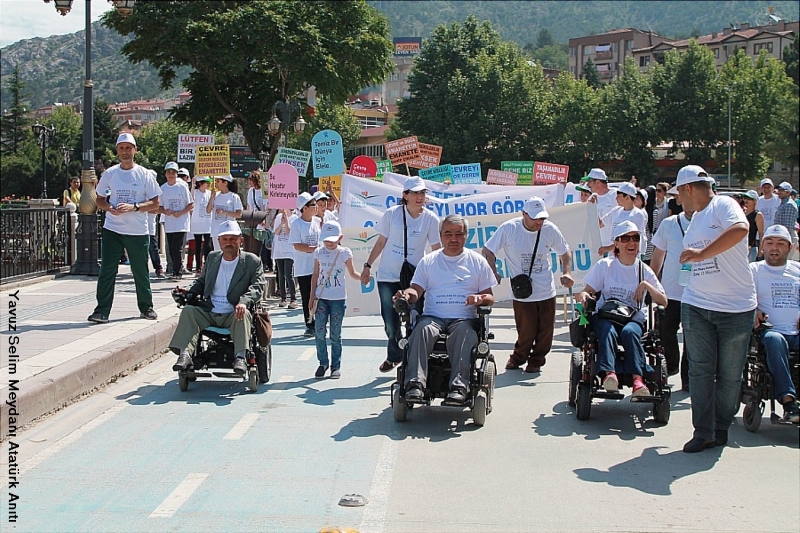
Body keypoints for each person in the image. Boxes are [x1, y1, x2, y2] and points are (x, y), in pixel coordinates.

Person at [670, 165, 756, 453]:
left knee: (730, 374)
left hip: (735, 307)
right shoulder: (693, 220)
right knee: (700, 371)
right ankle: (703, 431)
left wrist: (702, 254)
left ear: (688, 189)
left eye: (678, 193)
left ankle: (721, 427)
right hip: (697, 304)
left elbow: (741, 229)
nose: (677, 199)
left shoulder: (723, 204)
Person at [394, 215, 496, 404]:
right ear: (441, 236)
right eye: (448, 234)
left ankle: (459, 387)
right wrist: (406, 295)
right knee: (421, 330)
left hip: (464, 319)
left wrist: (479, 298)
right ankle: (415, 385)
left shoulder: (477, 261)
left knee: (464, 333)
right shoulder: (429, 261)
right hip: (433, 317)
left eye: (459, 234)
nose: (453, 239)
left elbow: (489, 297)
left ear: (466, 236)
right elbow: (415, 290)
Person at [482, 196, 574, 373]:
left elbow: (565, 252)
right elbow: (488, 250)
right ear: (524, 214)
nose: (539, 222)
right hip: (522, 291)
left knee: (546, 332)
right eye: (535, 218)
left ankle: (536, 361)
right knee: (527, 331)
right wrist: (493, 271)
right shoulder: (510, 228)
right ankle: (518, 357)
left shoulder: (550, 229)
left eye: (542, 218)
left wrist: (567, 272)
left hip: (546, 289)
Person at [576, 221, 667, 397]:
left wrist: (647, 285)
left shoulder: (643, 269)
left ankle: (638, 381)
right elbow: (585, 292)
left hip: (633, 316)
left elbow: (663, 300)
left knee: (630, 333)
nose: (631, 243)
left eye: (635, 238)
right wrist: (585, 296)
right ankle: (610, 375)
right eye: (625, 238)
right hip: (606, 314)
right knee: (606, 330)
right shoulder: (605, 266)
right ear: (616, 243)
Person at [361, 176, 441, 373]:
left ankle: (414, 359)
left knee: (416, 319)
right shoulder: (392, 214)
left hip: (415, 278)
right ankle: (395, 354)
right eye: (415, 193)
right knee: (390, 321)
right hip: (388, 276)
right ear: (405, 195)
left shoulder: (431, 218)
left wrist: (439, 273)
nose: (419, 197)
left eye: (422, 193)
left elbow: (437, 248)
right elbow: (380, 242)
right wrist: (367, 265)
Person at [169, 221, 265, 376]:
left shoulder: (251, 261)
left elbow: (257, 286)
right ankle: (185, 354)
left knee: (243, 314)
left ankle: (240, 357)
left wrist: (243, 302)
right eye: (225, 239)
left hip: (233, 314)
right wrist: (189, 291)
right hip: (210, 311)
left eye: (233, 239)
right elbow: (202, 281)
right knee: (188, 311)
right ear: (219, 241)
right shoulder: (213, 258)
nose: (229, 243)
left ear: (240, 240)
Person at [88, 132, 160, 323]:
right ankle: (101, 311)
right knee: (107, 270)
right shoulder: (110, 174)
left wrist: (135, 207)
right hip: (113, 228)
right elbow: (100, 199)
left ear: (135, 150)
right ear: (117, 151)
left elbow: (155, 202)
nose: (125, 152)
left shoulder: (144, 174)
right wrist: (109, 208)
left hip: (137, 231)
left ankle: (146, 307)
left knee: (140, 270)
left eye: (129, 148)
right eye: (122, 148)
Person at [750, 224, 800, 423]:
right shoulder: (754, 270)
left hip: (796, 331)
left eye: (780, 243)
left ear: (790, 247)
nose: (774, 247)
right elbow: (743, 299)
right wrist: (753, 311)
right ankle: (789, 403)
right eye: (769, 243)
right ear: (762, 247)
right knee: (775, 340)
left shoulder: (797, 270)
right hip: (769, 332)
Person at [308, 221, 362, 379]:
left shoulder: (345, 252)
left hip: (338, 299)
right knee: (319, 331)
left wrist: (363, 278)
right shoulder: (318, 252)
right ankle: (322, 362)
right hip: (321, 297)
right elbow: (315, 275)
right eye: (326, 239)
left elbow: (352, 273)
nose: (329, 243)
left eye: (332, 239)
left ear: (340, 237)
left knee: (335, 334)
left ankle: (335, 366)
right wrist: (312, 296)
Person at [650, 206, 695, 390]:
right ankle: (670, 366)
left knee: (692, 338)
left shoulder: (709, 223)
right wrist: (651, 281)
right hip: (670, 292)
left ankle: (688, 379)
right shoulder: (669, 223)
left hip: (696, 294)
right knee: (665, 333)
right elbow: (658, 254)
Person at [291, 192, 322, 336]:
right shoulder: (296, 224)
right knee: (307, 296)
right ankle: (310, 324)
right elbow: (297, 245)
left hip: (318, 266)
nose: (316, 207)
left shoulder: (317, 222)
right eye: (312, 205)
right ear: (304, 208)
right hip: (303, 267)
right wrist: (315, 249)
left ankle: (320, 322)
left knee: (319, 295)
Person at [158, 161, 193, 280]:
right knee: (171, 249)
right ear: (165, 174)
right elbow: (159, 206)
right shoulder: (162, 188)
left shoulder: (182, 187)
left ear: (177, 174)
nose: (171, 175)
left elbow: (191, 204)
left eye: (173, 172)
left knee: (177, 248)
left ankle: (177, 272)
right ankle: (174, 269)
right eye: (169, 172)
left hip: (181, 223)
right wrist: (165, 212)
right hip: (169, 223)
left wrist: (181, 212)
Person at [598, 181, 647, 256]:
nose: (616, 198)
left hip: (628, 257)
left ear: (627, 197)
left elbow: (632, 239)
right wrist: (592, 206)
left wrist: (607, 248)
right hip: (613, 256)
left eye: (618, 196)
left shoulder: (637, 214)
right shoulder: (616, 210)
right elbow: (600, 223)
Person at [585, 168, 618, 251]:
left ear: (598, 182)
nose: (587, 184)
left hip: (613, 246)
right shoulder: (592, 197)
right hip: (598, 246)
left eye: (589, 181)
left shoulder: (616, 195)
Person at [246, 170, 273, 272]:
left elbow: (267, 207)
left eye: (251, 180)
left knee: (265, 241)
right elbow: (249, 205)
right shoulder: (250, 191)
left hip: (263, 218)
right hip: (254, 219)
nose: (250, 183)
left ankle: (267, 263)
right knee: (256, 241)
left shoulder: (264, 191)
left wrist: (264, 218)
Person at [272, 208, 298, 309]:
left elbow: (288, 232)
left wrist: (286, 221)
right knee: (281, 275)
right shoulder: (278, 217)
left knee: (288, 274)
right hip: (279, 250)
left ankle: (293, 298)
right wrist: (281, 222)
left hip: (289, 250)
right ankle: (283, 298)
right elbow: (277, 232)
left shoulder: (295, 218)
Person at [207, 174, 243, 248]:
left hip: (229, 231)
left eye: (218, 181)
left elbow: (239, 214)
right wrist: (211, 198)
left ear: (225, 183)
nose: (216, 183)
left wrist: (224, 212)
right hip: (216, 231)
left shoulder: (234, 197)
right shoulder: (215, 195)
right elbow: (208, 210)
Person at [190, 176, 213, 276]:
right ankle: (198, 268)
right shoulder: (195, 192)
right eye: (206, 182)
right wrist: (192, 185)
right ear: (201, 183)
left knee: (207, 246)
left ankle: (206, 265)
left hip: (208, 223)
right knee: (198, 246)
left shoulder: (209, 193)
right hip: (197, 223)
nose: (208, 184)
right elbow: (191, 198)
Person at [773, 181, 799, 259]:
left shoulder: (789, 204)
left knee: (785, 261)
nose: (779, 192)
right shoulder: (783, 203)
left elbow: (787, 226)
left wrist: (783, 240)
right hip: (783, 236)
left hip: (787, 236)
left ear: (788, 192)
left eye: (781, 190)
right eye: (779, 190)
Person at [740, 190, 765, 262]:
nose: (746, 200)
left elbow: (761, 233)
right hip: (741, 246)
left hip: (751, 247)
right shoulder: (741, 213)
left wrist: (761, 248)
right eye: (745, 198)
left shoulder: (758, 215)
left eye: (749, 199)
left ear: (755, 201)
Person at [146, 211, 165, 279]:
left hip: (150, 229)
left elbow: (156, 209)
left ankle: (158, 268)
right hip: (138, 229)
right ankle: (142, 269)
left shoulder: (153, 200)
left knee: (153, 249)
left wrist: (142, 208)